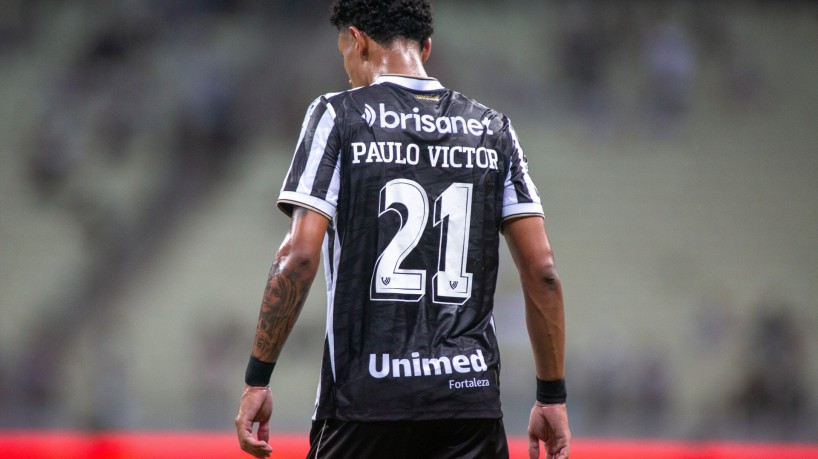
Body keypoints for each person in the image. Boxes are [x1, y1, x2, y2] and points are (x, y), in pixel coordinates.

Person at [235, 1, 570, 458]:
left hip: (364, 404)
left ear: (358, 41)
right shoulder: (493, 130)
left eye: (345, 55)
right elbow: (543, 270)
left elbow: (300, 256)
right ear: (426, 48)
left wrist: (258, 378)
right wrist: (551, 395)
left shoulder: (338, 115)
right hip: (468, 403)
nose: (348, 70)